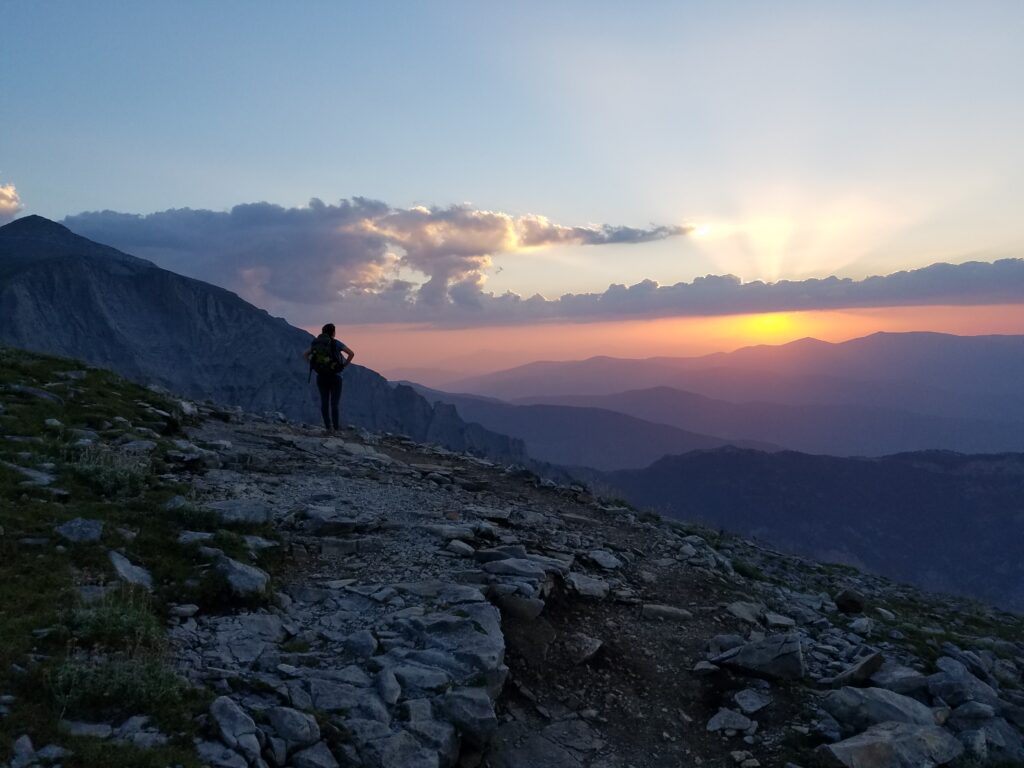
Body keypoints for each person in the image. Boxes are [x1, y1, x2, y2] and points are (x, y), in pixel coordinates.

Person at [303, 323, 354, 432]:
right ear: (333, 332)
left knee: (324, 402)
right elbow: (351, 353)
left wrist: (313, 366)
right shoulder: (335, 343)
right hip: (335, 377)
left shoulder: (316, 343)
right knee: (334, 403)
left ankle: (327, 427)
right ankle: (336, 429)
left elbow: (305, 355)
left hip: (321, 377)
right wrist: (344, 365)